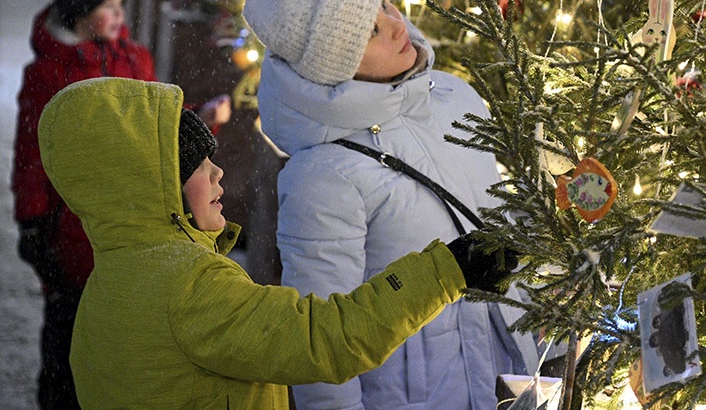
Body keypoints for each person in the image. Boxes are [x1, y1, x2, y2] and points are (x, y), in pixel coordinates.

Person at [36, 76, 512, 408]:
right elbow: (324, 339)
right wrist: (448, 270)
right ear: (154, 186)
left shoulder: (111, 283)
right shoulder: (190, 287)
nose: (218, 172)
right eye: (197, 166)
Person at [242, 0, 540, 410]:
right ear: (334, 66)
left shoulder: (454, 96)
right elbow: (324, 350)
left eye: (385, 3)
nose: (397, 25)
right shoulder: (323, 174)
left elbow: (492, 217)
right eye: (367, 32)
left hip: (509, 381)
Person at [10, 0, 230, 409]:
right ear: (77, 14)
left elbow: (153, 131)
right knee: (67, 334)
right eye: (105, 8)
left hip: (134, 218)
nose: (117, 18)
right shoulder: (50, 74)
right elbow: (31, 158)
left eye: (119, 6)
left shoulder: (134, 58)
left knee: (122, 330)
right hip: (72, 226)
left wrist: (201, 124)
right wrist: (32, 223)